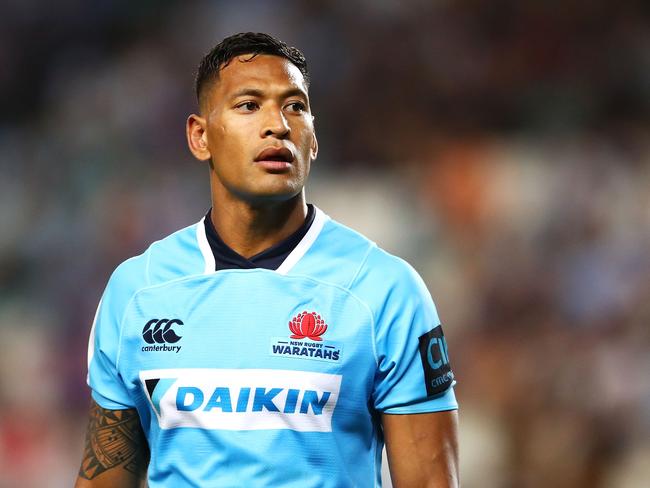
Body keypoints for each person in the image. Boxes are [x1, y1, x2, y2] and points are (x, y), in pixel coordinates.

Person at [75, 32, 459, 488]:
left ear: (313, 141)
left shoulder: (385, 290)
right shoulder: (137, 291)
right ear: (200, 137)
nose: (277, 124)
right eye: (248, 105)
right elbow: (103, 478)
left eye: (295, 106)